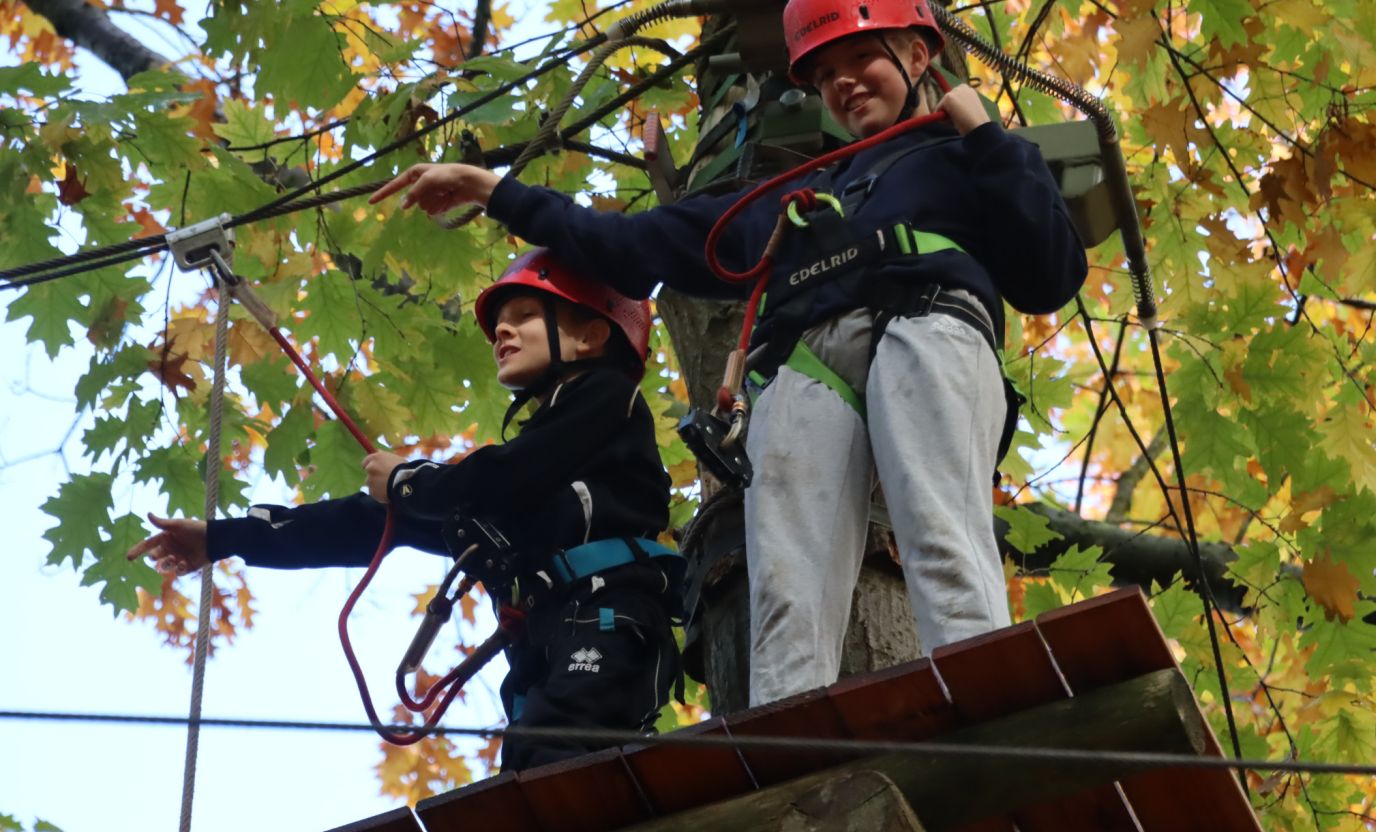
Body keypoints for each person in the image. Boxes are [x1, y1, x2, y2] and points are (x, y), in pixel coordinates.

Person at [366, 0, 1088, 708]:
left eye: (863, 56)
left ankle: (994, 705)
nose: (844, 82)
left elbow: (1048, 276)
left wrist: (990, 140)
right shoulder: (786, 202)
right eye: (825, 74)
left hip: (926, 324)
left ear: (918, 54)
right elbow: (632, 244)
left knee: (940, 530)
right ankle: (792, 740)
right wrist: (494, 191)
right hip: (809, 364)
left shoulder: (964, 156)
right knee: (787, 584)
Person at [127, 250, 682, 770]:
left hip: (608, 619)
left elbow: (509, 472)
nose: (502, 332)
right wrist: (224, 538)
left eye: (526, 316)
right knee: (529, 760)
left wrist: (410, 482)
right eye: (499, 323)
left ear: (590, 336)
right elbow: (368, 523)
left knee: (551, 750)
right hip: (551, 638)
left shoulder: (608, 398)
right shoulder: (514, 499)